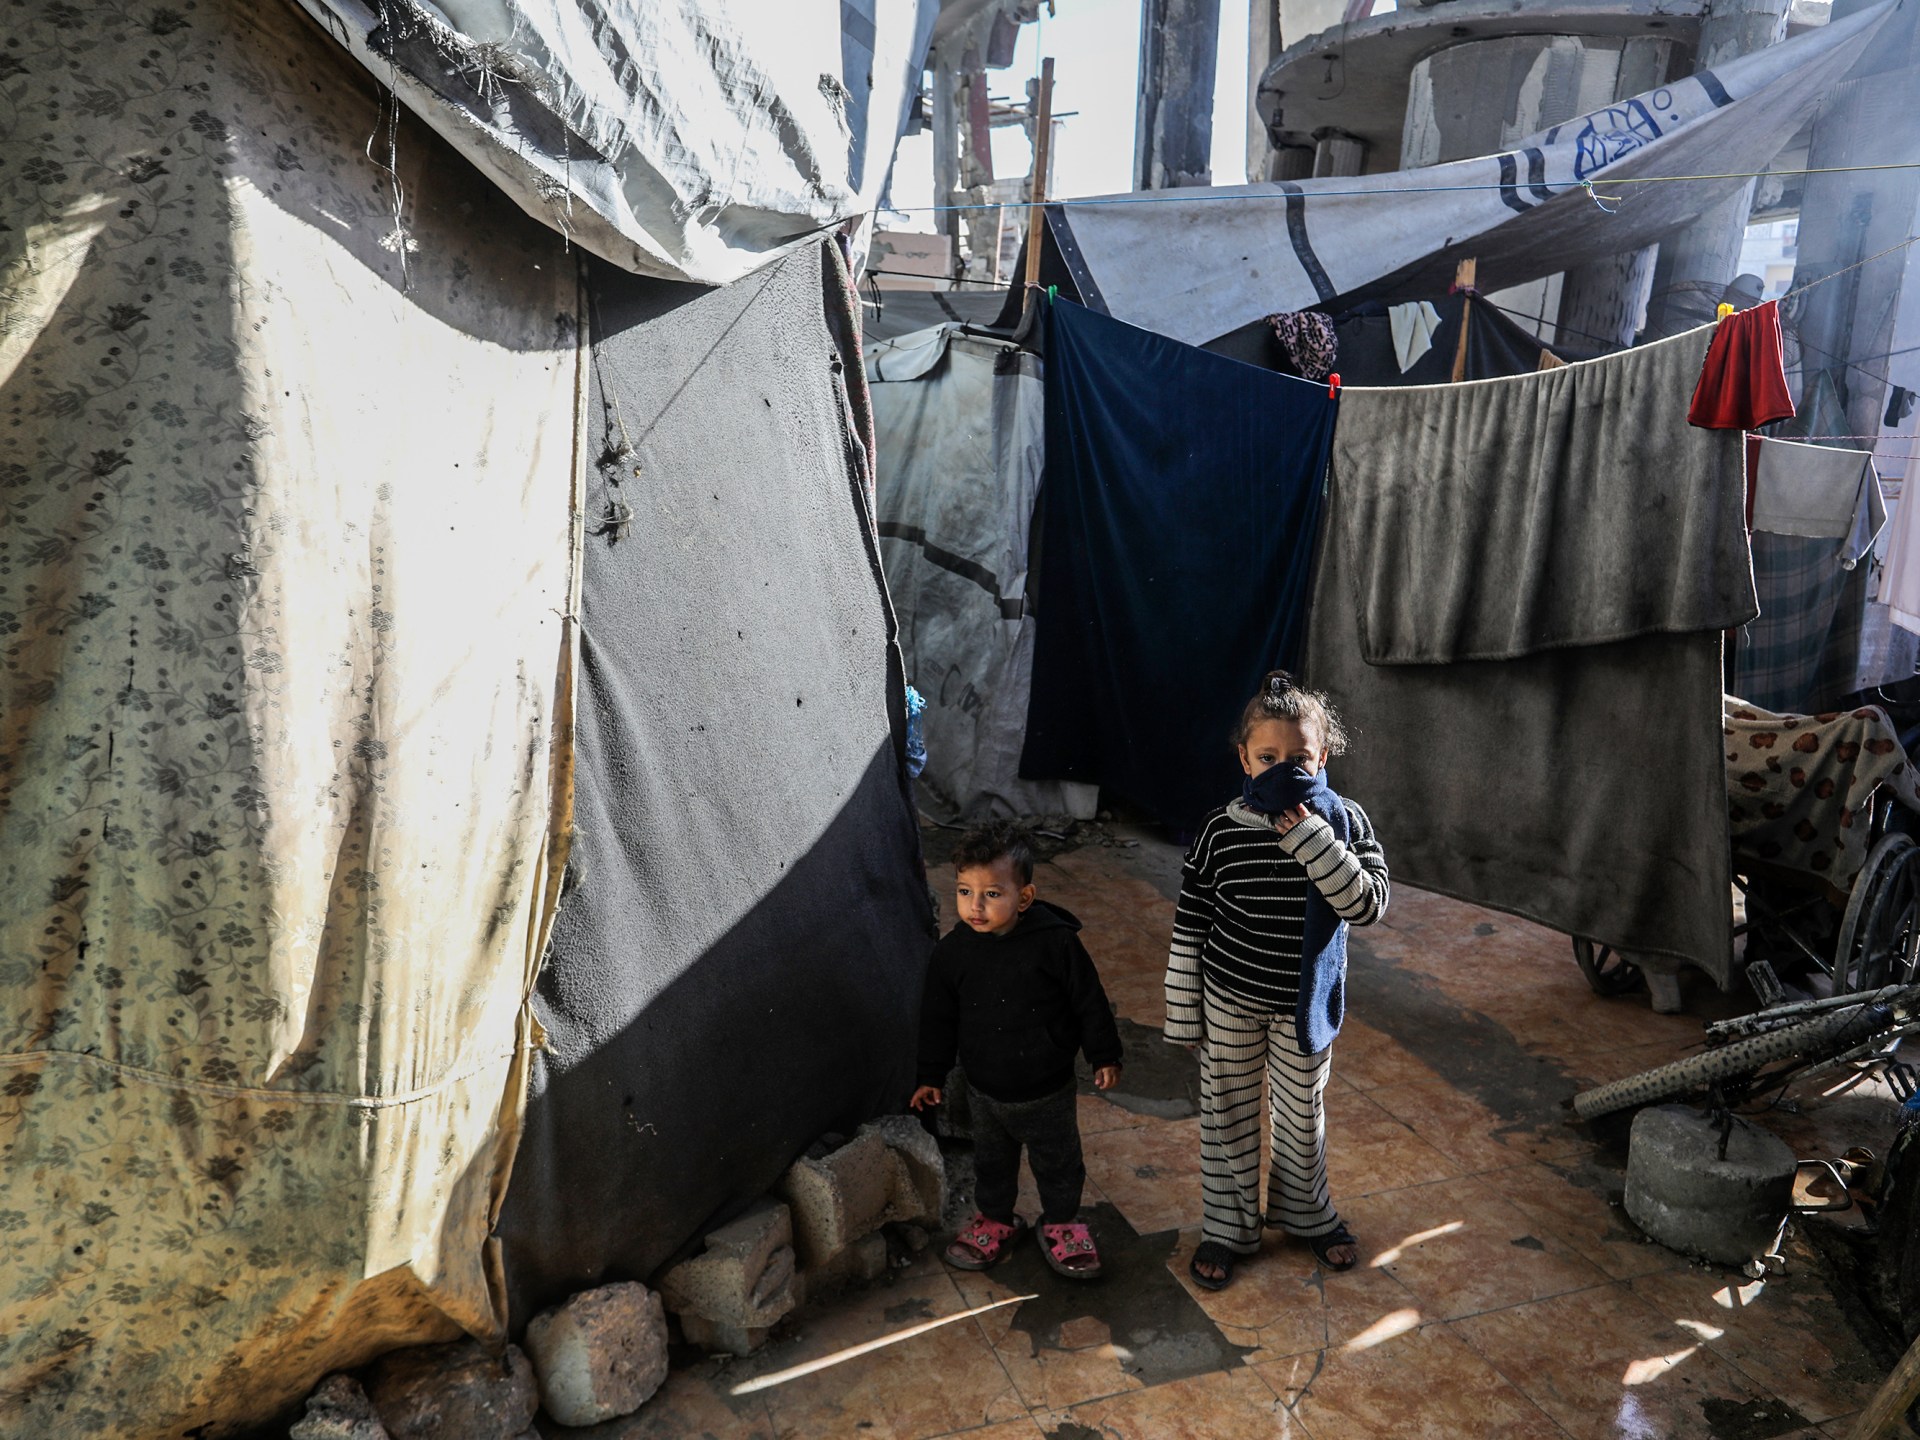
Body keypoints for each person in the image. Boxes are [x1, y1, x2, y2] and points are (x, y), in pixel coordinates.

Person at [1166, 671, 1390, 1291]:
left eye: (1298, 757)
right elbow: (1192, 922)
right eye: (1268, 758)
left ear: (1323, 756)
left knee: (1301, 1115)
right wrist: (1185, 1012)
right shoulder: (1221, 830)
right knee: (1227, 1114)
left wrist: (1314, 841)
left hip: (1305, 1005)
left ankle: (1307, 1216)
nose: (1282, 769)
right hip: (1230, 1001)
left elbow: (1367, 905)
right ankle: (1227, 1228)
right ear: (1244, 758)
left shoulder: (1344, 823)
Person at [912, 821, 1124, 1279]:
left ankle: (1063, 1223)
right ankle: (995, 1221)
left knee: (1059, 1162)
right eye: (965, 891)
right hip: (984, 1091)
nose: (975, 906)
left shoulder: (1056, 943)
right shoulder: (952, 955)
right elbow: (938, 1019)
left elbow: (1088, 1000)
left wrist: (1104, 1054)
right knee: (991, 1163)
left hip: (1046, 1088)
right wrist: (931, 1074)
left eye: (992, 894)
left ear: (1024, 897)